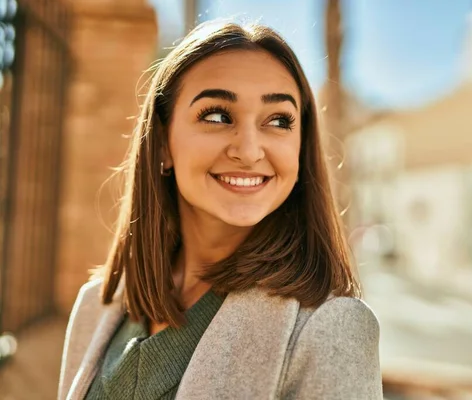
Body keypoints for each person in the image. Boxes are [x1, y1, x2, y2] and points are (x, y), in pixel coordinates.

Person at [58, 20, 382, 400]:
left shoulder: (331, 328)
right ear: (162, 144)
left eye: (278, 121)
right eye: (217, 116)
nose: (248, 151)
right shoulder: (97, 307)